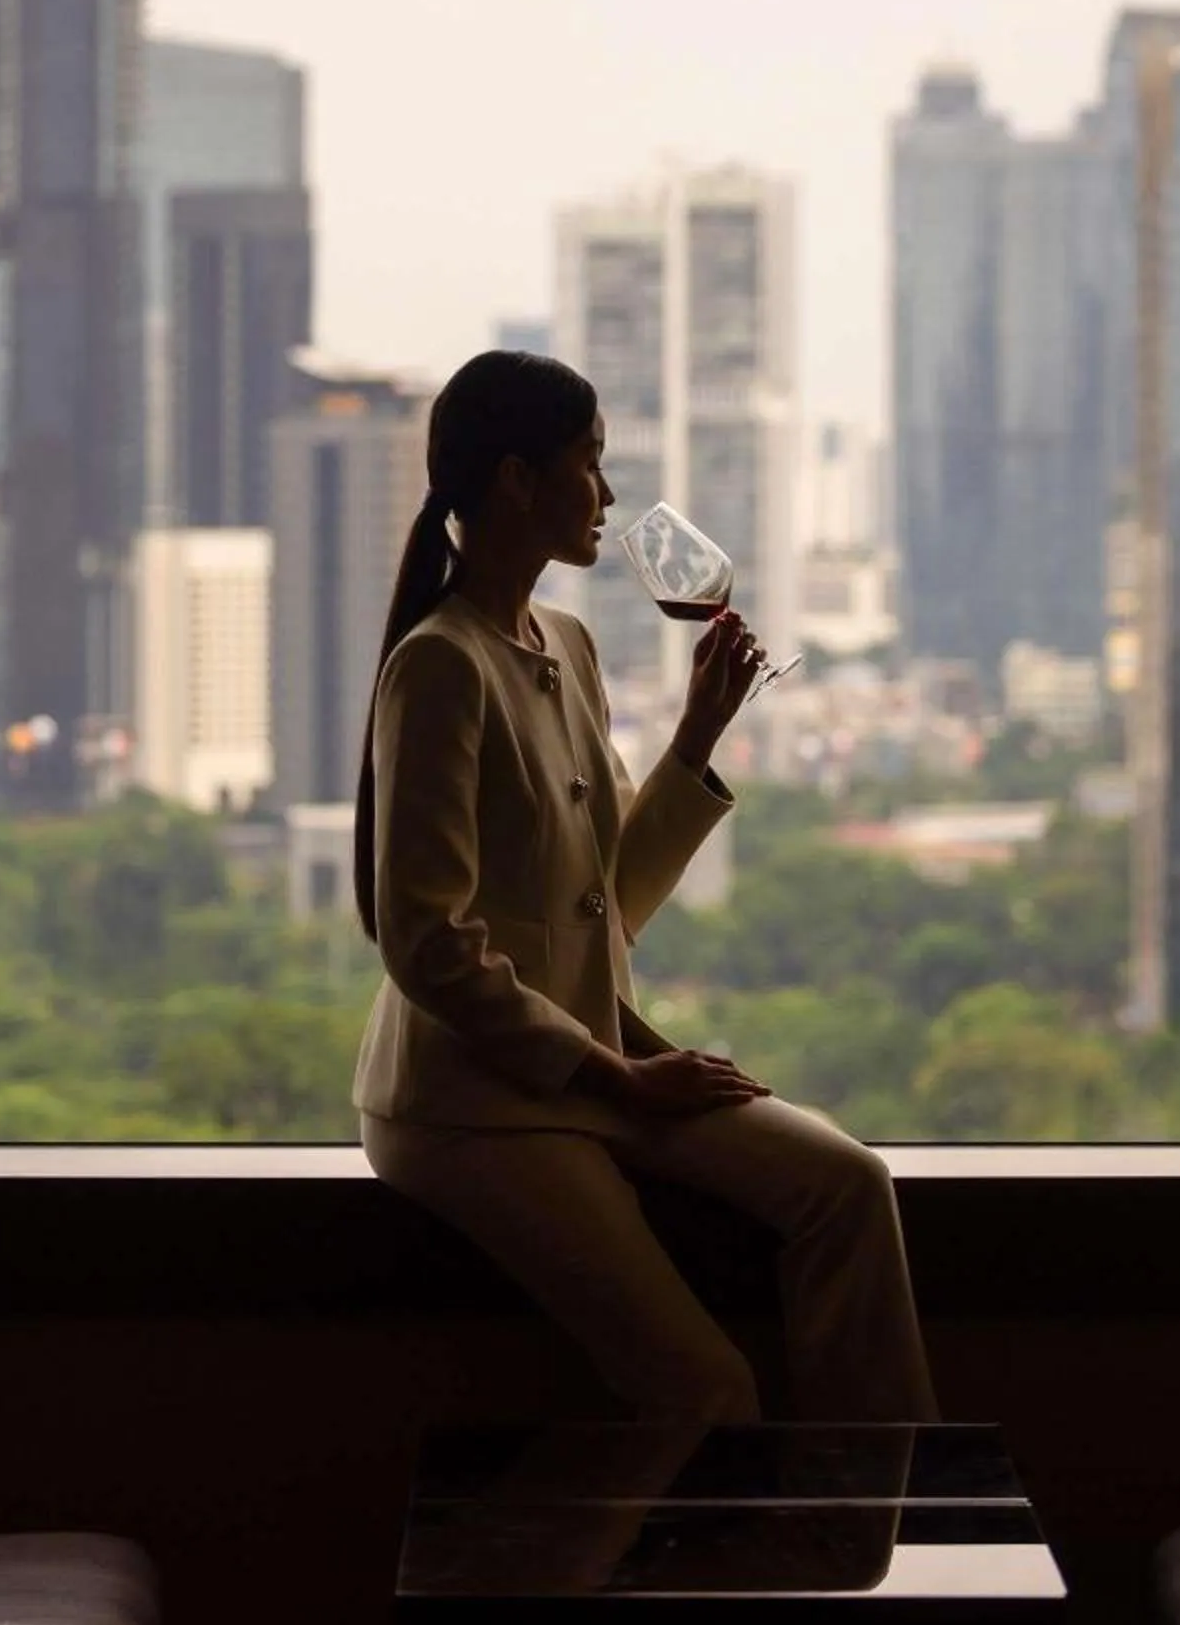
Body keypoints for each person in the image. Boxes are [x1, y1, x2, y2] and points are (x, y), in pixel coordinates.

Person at [351, 349, 938, 1425]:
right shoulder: (441, 665)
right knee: (703, 1387)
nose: (610, 499)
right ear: (520, 481)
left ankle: (879, 1528)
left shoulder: (565, 646)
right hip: (477, 1104)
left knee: (849, 1188)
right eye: (592, 463)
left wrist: (699, 734)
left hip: (592, 1065)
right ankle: (561, 1583)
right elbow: (427, 940)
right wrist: (613, 1079)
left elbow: (606, 902)